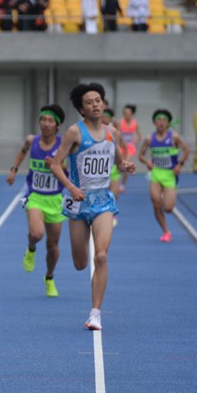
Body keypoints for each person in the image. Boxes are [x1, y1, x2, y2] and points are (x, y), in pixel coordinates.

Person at [50, 83, 135, 330]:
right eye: (89, 102)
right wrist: (71, 187)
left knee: (101, 255)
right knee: (80, 264)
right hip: (78, 203)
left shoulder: (113, 133)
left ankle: (95, 313)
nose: (95, 105)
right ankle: (92, 301)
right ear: (81, 109)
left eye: (98, 100)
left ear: (104, 104)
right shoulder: (75, 133)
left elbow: (118, 162)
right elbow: (56, 164)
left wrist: (126, 166)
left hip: (102, 202)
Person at [6, 104, 66, 297]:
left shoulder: (63, 144)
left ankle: (49, 277)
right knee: (37, 233)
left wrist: (57, 166)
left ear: (57, 125)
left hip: (55, 199)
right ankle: (31, 249)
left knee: (53, 245)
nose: (46, 124)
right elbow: (23, 151)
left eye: (50, 121)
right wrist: (14, 169)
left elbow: (71, 170)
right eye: (43, 120)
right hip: (35, 196)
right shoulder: (32, 140)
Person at [137, 109, 191, 242]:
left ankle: (165, 200)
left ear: (168, 123)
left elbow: (186, 150)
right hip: (156, 173)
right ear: (154, 122)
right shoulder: (149, 138)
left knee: (168, 208)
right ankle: (166, 231)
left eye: (164, 120)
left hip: (170, 174)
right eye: (158, 120)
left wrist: (179, 165)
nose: (161, 122)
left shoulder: (174, 137)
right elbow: (140, 155)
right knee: (155, 202)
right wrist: (147, 162)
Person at [118, 104, 141, 192]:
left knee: (126, 164)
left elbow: (139, 136)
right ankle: (116, 180)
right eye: (125, 113)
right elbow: (116, 133)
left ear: (132, 114)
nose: (126, 114)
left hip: (130, 148)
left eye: (128, 113)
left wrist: (135, 139)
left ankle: (122, 184)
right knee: (120, 165)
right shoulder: (120, 122)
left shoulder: (135, 123)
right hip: (121, 147)